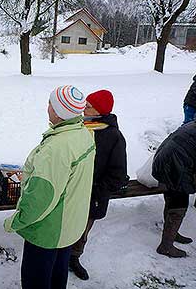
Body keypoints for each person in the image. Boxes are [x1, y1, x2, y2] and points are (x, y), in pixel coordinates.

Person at [4, 85, 95, 289]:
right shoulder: (83, 133)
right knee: (57, 276)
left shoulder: (56, 149)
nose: (47, 108)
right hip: (70, 226)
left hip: (48, 232)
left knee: (36, 281)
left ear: (59, 111)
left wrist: (16, 221)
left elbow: (41, 198)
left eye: (50, 104)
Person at [69, 89, 127, 280]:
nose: (83, 108)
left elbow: (117, 175)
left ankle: (74, 259)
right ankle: (60, 258)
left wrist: (95, 191)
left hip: (93, 196)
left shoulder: (113, 136)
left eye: (88, 106)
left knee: (81, 231)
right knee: (66, 227)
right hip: (71, 191)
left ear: (100, 111)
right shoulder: (79, 126)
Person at [152, 111, 196, 258]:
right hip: (175, 166)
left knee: (172, 198)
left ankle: (172, 234)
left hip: (164, 161)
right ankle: (166, 246)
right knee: (179, 203)